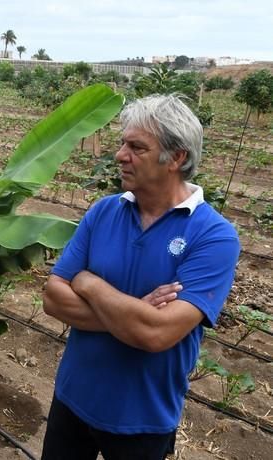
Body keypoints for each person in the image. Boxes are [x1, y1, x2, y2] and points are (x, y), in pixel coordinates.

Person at [41, 94, 240, 460]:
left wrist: (88, 283)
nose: (120, 154)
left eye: (136, 147)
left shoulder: (214, 236)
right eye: (122, 143)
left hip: (142, 420)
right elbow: (52, 298)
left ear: (176, 157)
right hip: (72, 398)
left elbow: (155, 333)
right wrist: (133, 315)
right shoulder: (104, 211)